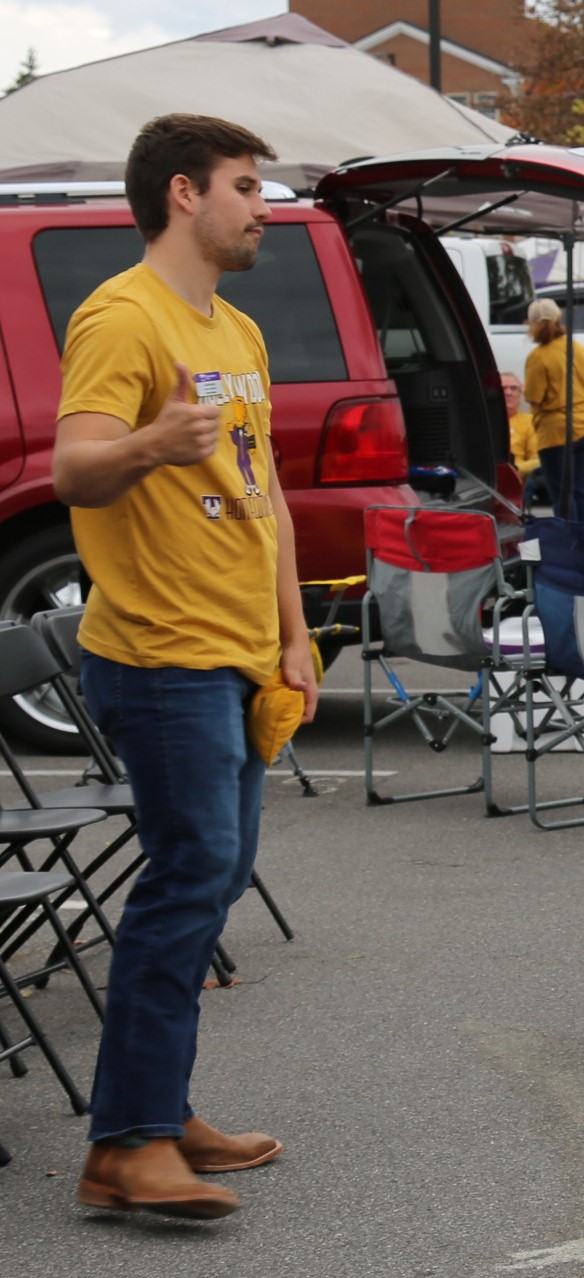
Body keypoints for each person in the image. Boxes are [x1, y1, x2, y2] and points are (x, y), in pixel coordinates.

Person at [52, 113, 309, 1220]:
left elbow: (266, 494)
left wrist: (296, 633)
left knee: (206, 891)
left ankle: (162, 1109)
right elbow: (73, 468)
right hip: (163, 656)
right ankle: (126, 1148)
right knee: (186, 881)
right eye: (246, 186)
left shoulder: (238, 332)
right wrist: (150, 445)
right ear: (182, 197)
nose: (264, 205)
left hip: (245, 647)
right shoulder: (122, 318)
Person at [523, 297, 584, 519]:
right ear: (558, 318)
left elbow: (535, 397)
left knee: (562, 495)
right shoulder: (578, 348)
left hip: (556, 432)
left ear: (531, 323)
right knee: (580, 492)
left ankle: (568, 544)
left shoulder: (538, 356)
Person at [503, 371, 541, 500]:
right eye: (503, 388)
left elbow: (538, 460)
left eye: (514, 388)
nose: (508, 392)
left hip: (517, 477)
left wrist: (515, 469)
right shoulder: (482, 421)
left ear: (520, 393)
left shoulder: (530, 421)